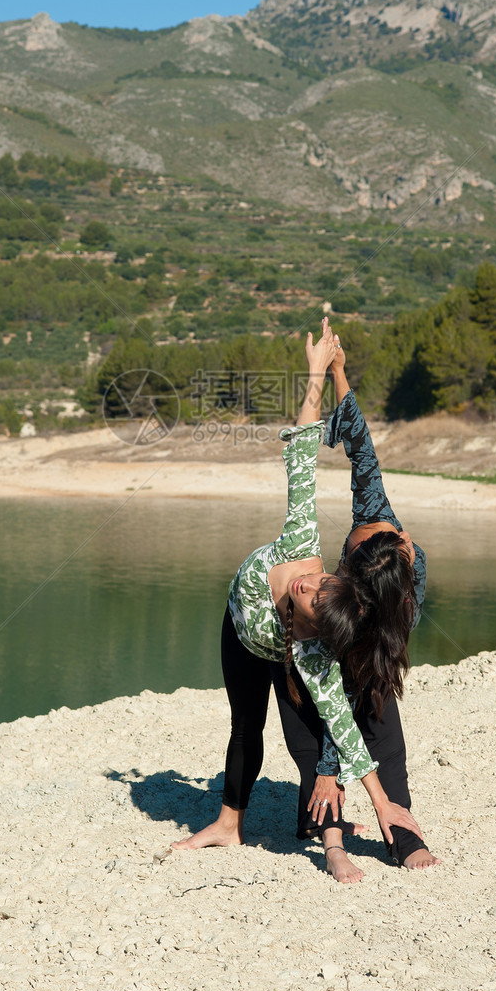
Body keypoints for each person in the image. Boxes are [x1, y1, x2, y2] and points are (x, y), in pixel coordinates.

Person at [173, 317, 424, 878]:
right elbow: (302, 455)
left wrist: (385, 806)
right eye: (320, 582)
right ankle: (228, 824)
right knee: (244, 725)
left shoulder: (311, 655)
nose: (307, 583)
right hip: (238, 628)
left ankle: (333, 835)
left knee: (307, 735)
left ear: (311, 627)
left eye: (311, 595)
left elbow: (348, 730)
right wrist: (318, 374)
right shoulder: (303, 547)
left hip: (272, 648)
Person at [268, 340, 440, 879]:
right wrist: (340, 373)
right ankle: (324, 829)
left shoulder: (398, 600)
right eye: (366, 534)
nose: (367, 532)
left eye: (390, 537)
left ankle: (401, 831)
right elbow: (361, 447)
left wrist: (335, 769)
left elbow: (352, 688)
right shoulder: (376, 518)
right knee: (314, 717)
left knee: (380, 717)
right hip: (317, 649)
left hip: (369, 647)